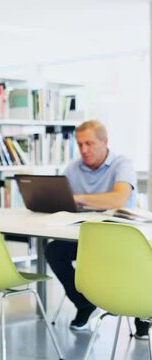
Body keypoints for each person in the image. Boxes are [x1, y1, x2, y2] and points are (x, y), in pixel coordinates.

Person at [45, 120, 149, 337]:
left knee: (143, 259)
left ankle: (143, 312)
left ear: (105, 142)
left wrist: (80, 199)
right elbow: (62, 199)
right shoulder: (73, 168)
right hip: (86, 238)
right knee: (54, 250)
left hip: (123, 240)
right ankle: (84, 304)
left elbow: (119, 198)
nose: (84, 150)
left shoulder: (122, 164)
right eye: (80, 144)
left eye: (89, 144)